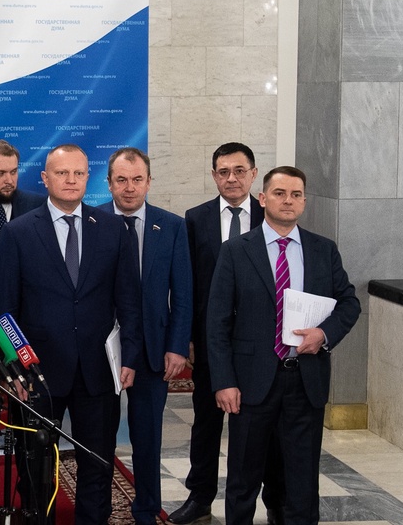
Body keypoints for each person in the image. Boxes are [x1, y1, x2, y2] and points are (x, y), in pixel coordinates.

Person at [0, 143, 143, 524]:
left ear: (89, 178)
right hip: (38, 373)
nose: (71, 180)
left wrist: (130, 356)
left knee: (97, 463)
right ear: (45, 178)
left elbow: (128, 301)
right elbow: (5, 311)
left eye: (78, 173)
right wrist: (14, 370)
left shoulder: (113, 229)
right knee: (34, 467)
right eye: (62, 173)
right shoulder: (19, 232)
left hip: (98, 372)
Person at [206, 166, 360, 525]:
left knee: (302, 479)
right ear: (263, 199)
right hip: (251, 382)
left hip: (304, 381)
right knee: (243, 477)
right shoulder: (235, 251)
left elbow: (349, 303)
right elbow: (217, 323)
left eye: (296, 195)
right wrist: (224, 381)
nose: (288, 201)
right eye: (279, 193)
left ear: (304, 202)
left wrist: (323, 334)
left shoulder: (323, 250)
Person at [174, 142, 284, 524]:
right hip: (212, 341)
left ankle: (274, 501)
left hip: (261, 344)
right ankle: (199, 497)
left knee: (263, 428)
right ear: (214, 176)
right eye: (223, 172)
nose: (231, 178)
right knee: (206, 423)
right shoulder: (196, 218)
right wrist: (188, 337)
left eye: (239, 171)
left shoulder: (271, 215)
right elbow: (186, 284)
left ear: (254, 174)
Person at [101, 148, 192, 525]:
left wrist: (177, 346)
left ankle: (146, 510)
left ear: (149, 182)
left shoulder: (171, 226)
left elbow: (183, 293)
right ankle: (98, 507)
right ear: (108, 183)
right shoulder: (91, 221)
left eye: (137, 179)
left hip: (155, 350)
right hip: (103, 351)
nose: (129, 187)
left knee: (148, 438)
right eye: (121, 180)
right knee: (100, 437)